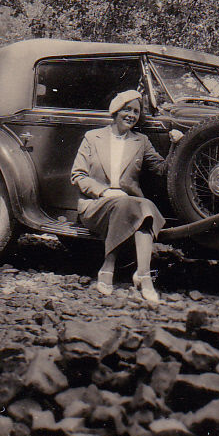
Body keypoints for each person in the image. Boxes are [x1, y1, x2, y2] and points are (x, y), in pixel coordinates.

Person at [70, 89, 182, 305]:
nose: (131, 115)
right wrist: (104, 191)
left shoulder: (141, 141)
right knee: (132, 205)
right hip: (95, 205)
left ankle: (141, 274)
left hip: (129, 206)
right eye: (127, 110)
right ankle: (115, 268)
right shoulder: (93, 138)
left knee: (143, 208)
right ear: (115, 111)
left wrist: (176, 146)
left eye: (136, 112)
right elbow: (78, 175)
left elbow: (161, 169)